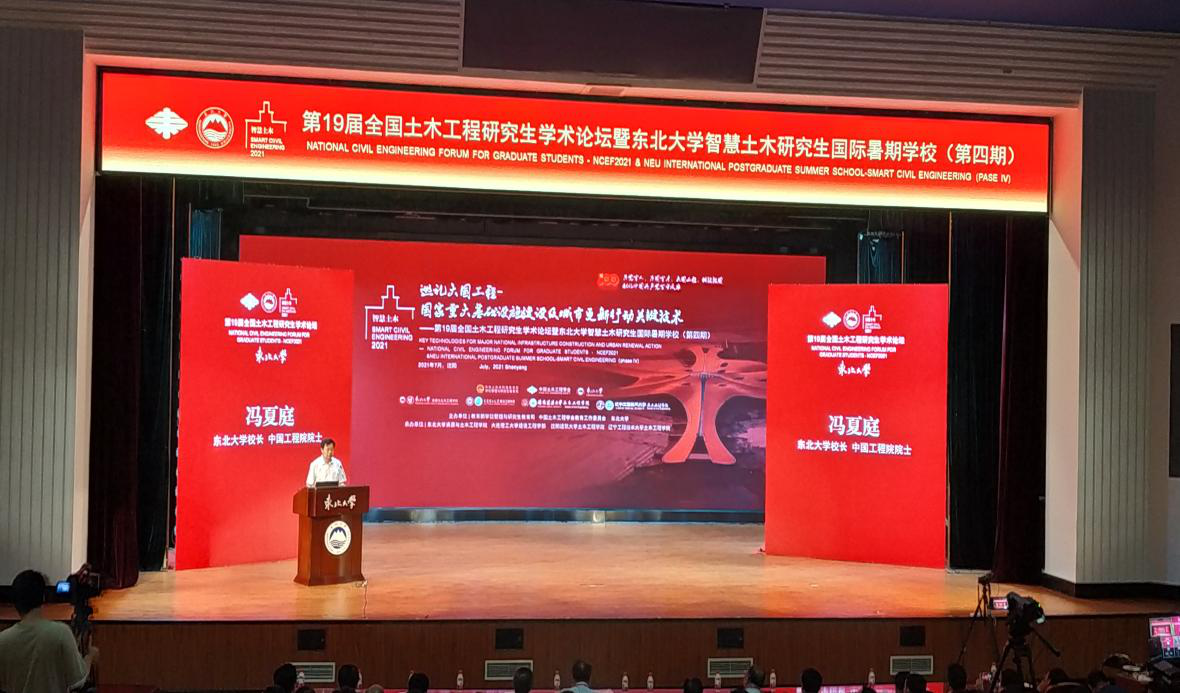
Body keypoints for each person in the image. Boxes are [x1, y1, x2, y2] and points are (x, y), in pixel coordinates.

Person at [0, 570, 97, 693]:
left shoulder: (3, 640)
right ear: (44, 597)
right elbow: (79, 680)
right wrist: (90, 656)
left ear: (14, 602)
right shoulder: (61, 633)